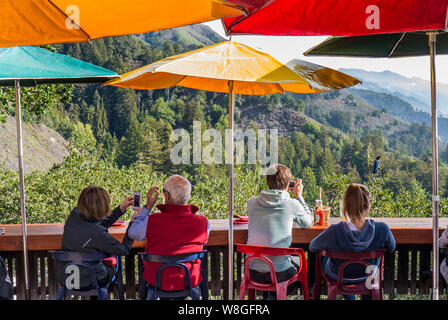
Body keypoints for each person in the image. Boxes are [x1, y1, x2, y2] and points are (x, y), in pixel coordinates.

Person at [128, 175, 209, 300]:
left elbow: (133, 233)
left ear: (167, 196)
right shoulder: (203, 222)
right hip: (188, 279)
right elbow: (204, 240)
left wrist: (147, 208)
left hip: (157, 279)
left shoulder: (152, 220)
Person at [309, 183, 396, 300]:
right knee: (370, 263)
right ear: (368, 205)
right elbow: (391, 247)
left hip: (340, 276)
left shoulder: (335, 230)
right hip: (368, 276)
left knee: (328, 259)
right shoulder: (382, 229)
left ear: (346, 207)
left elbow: (313, 246)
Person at [246, 163, 314, 299]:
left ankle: (271, 295)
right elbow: (308, 222)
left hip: (252, 271)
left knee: (277, 261)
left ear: (267, 181)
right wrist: (299, 196)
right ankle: (275, 294)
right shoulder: (292, 204)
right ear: (287, 185)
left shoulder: (252, 202)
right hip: (279, 273)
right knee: (302, 265)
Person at [59, 186, 136, 293]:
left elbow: (98, 225)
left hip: (67, 277)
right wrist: (133, 225)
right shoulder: (98, 233)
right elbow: (124, 250)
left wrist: (121, 209)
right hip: (93, 279)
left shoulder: (74, 214)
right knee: (115, 263)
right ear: (103, 206)